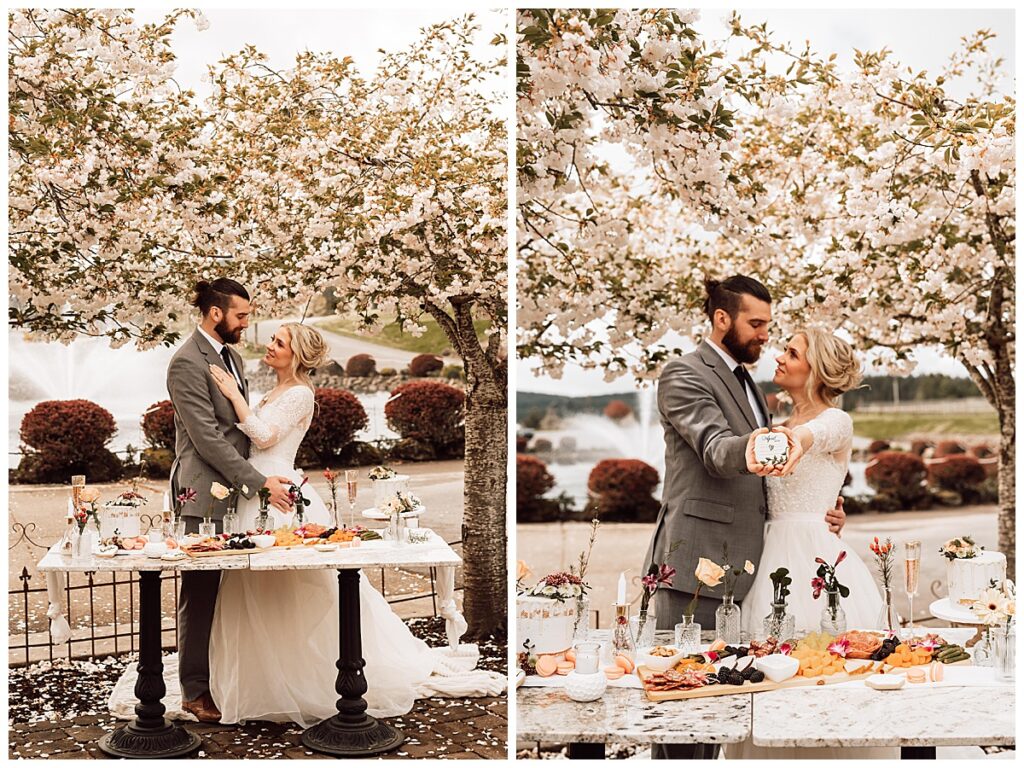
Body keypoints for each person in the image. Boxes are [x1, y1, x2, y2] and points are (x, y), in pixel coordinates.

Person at [642, 276, 845, 760]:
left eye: (768, 326)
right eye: (755, 324)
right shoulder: (684, 373)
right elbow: (714, 449)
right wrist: (763, 444)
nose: (764, 336)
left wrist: (822, 510)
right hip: (695, 562)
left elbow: (776, 480)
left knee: (722, 708)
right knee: (681, 710)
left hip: (752, 569)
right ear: (721, 319)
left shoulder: (750, 383)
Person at [206, 322, 436, 725]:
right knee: (255, 589)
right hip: (258, 489)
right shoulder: (277, 390)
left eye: (280, 343)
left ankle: (305, 678)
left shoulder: (299, 393)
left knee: (297, 589)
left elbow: (262, 437)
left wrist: (233, 396)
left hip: (281, 494)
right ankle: (264, 679)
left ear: (297, 356)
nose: (271, 346)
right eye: (274, 340)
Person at [726, 328, 894, 760]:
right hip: (766, 555)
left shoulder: (837, 420)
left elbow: (813, 436)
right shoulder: (771, 423)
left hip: (819, 559)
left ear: (815, 369)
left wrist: (792, 441)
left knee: (827, 664)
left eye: (792, 352)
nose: (779, 356)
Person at [166, 278, 293, 723]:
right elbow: (206, 440)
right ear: (215, 314)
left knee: (233, 592)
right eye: (240, 315)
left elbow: (243, 428)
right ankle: (194, 691)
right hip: (203, 492)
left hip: (238, 491)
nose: (246, 323)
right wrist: (259, 483)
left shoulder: (232, 357)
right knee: (199, 593)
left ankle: (227, 679)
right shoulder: (185, 362)